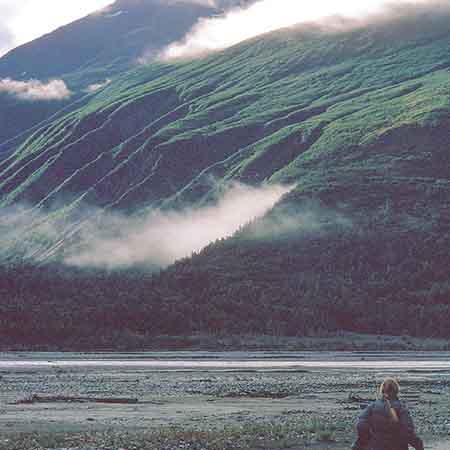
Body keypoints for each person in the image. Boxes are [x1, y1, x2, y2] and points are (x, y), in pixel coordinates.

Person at [352, 378, 424, 450]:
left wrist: (363, 442)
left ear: (382, 391)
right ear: (396, 391)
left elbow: (361, 425)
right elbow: (408, 432)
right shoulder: (401, 408)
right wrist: (418, 445)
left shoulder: (372, 407)